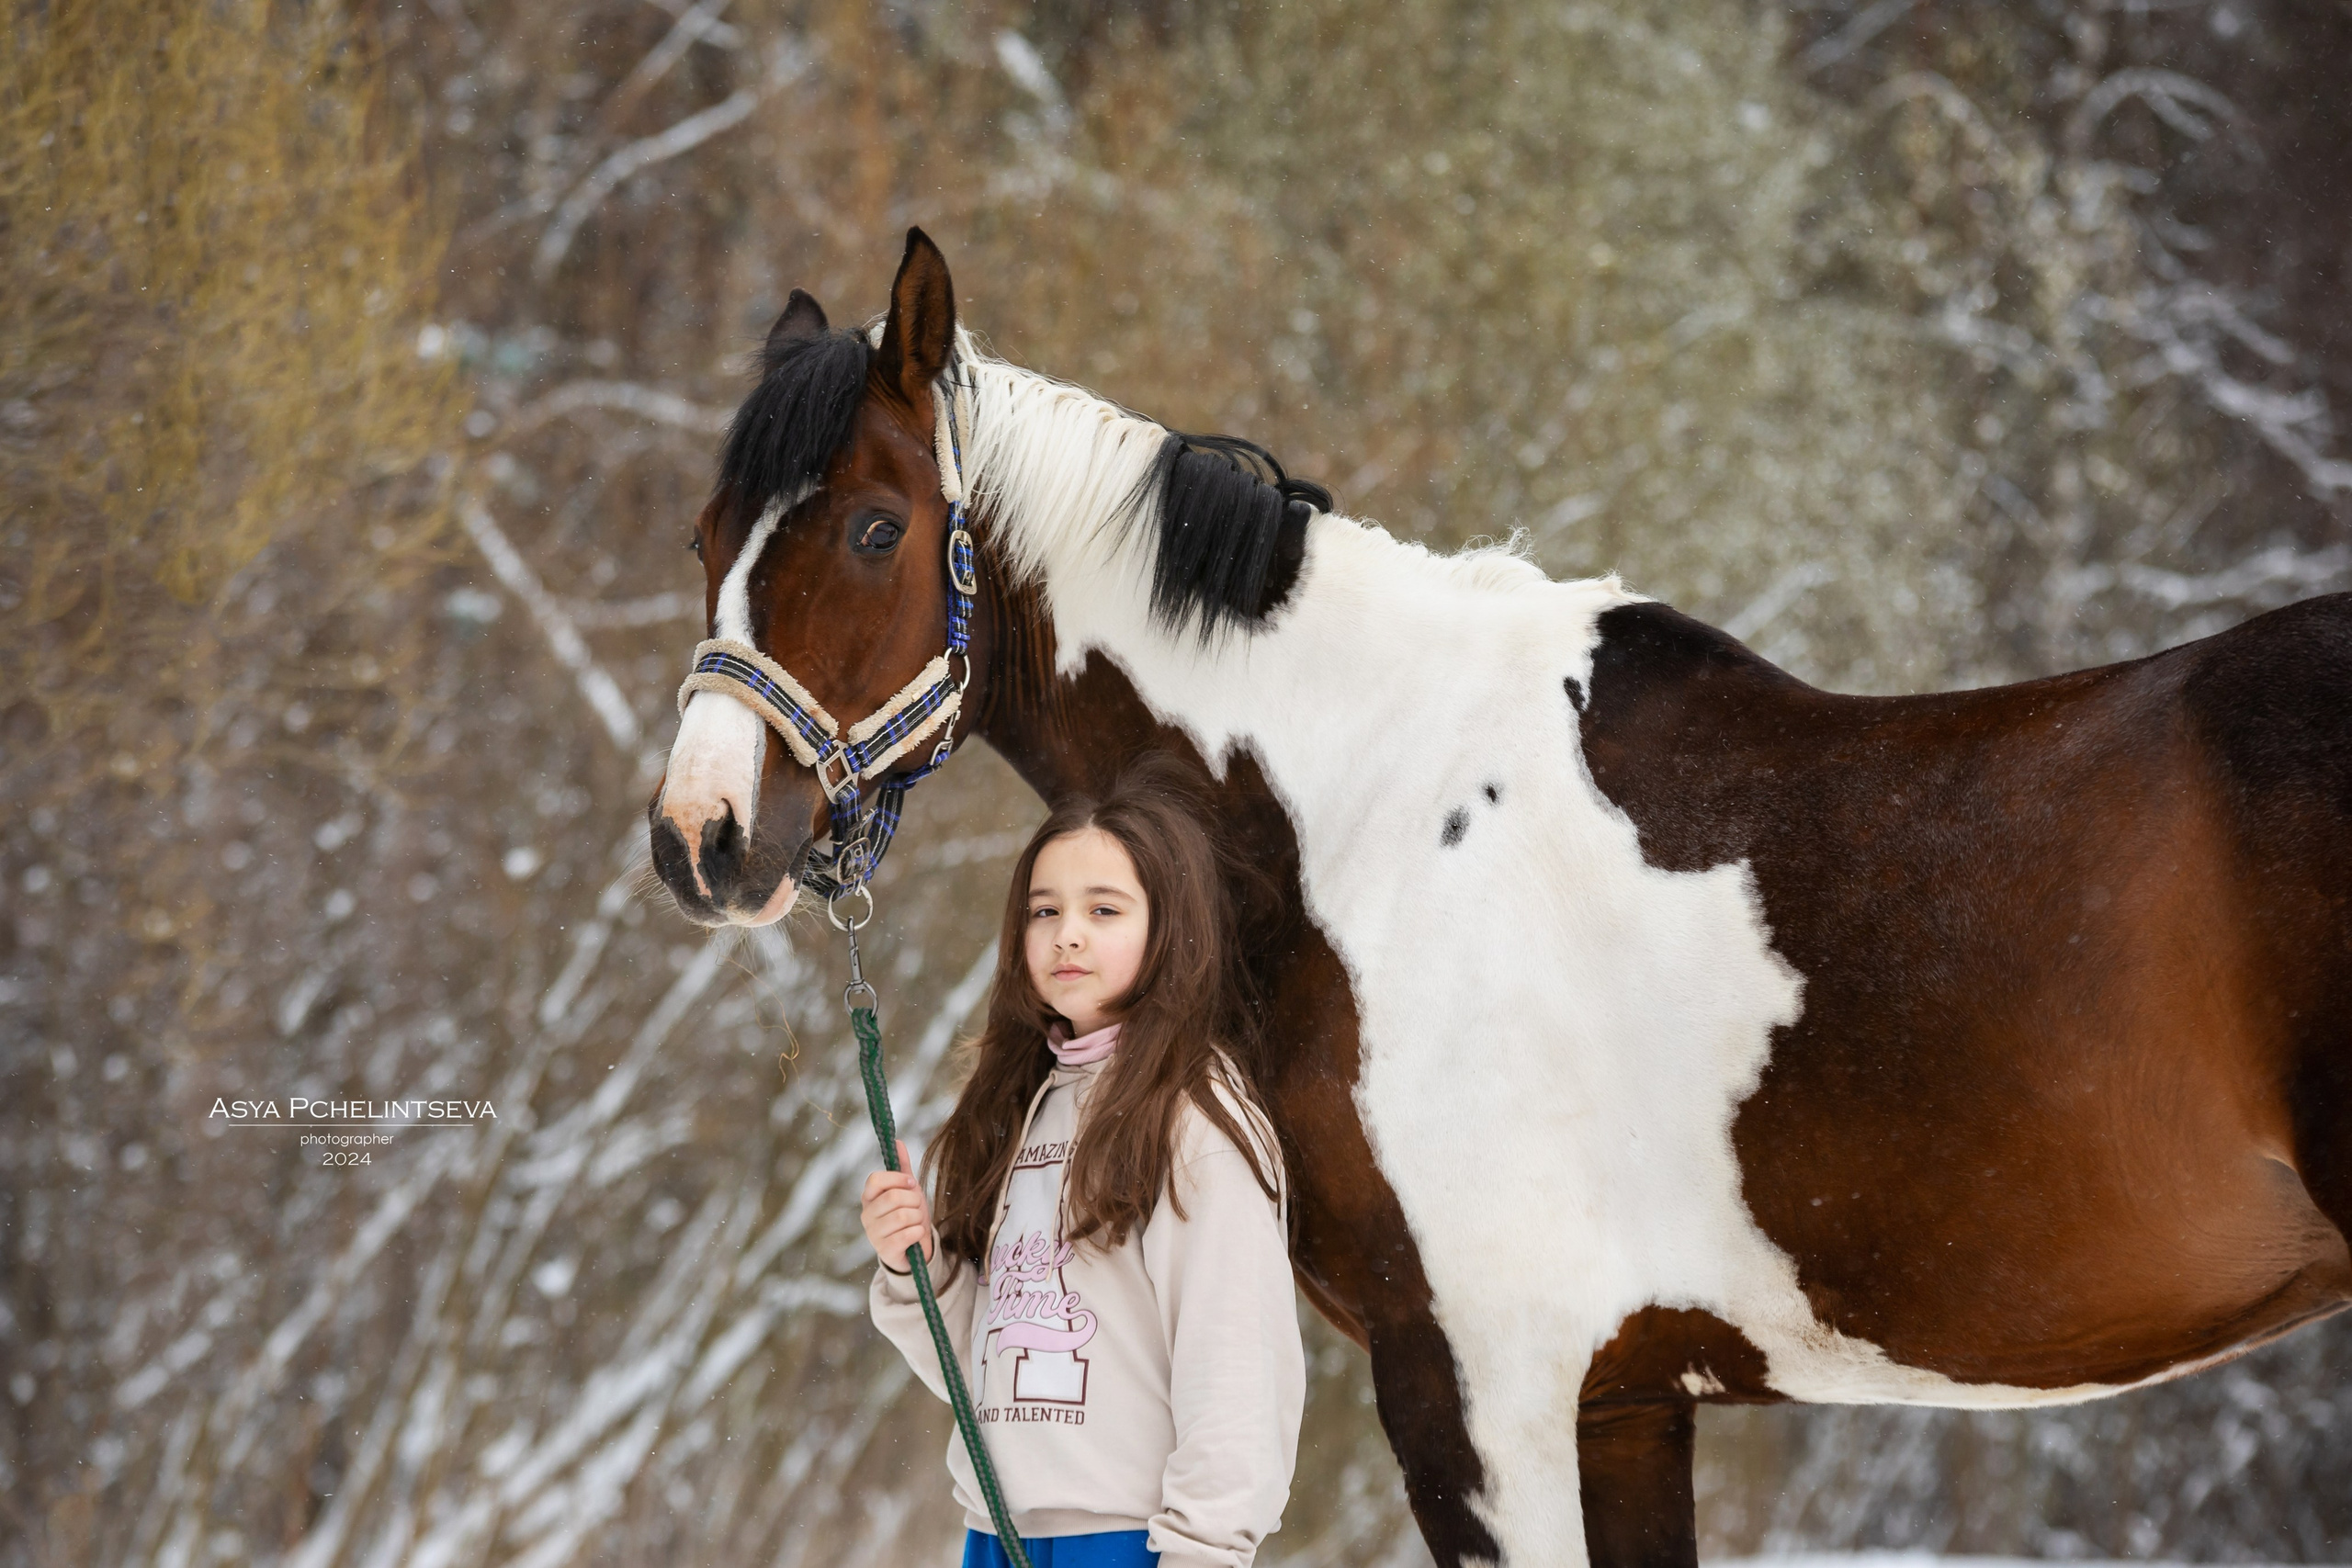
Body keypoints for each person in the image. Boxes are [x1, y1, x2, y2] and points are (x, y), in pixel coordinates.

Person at [860, 760, 1304, 1568]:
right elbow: (985, 1374)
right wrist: (914, 1266)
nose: (1068, 931)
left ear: (1169, 928)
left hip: (1131, 1542)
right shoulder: (1020, 1106)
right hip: (997, 1534)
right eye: (1045, 909)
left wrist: (1204, 1549)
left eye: (1104, 909)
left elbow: (1234, 1358)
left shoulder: (1195, 1115)